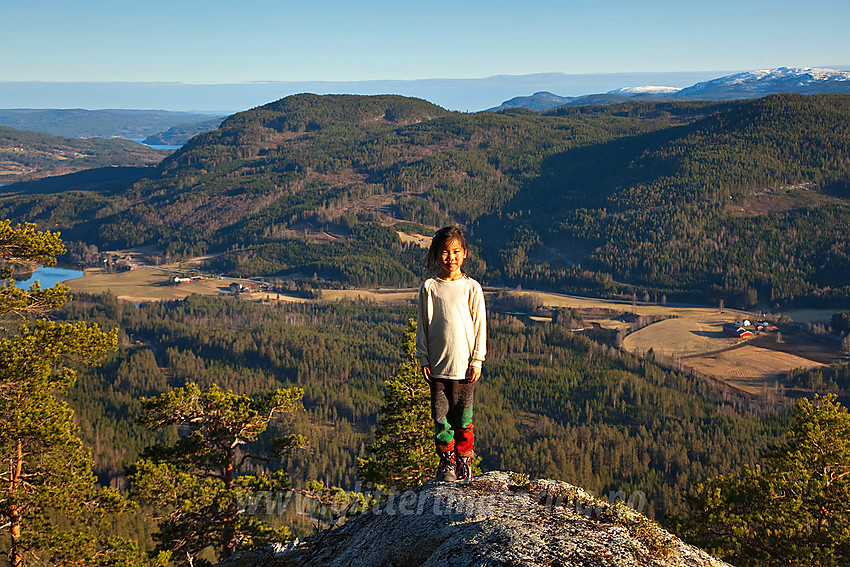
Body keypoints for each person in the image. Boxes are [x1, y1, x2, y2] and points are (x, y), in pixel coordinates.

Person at [416, 226, 486, 482]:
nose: (451, 257)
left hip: (464, 366)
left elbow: (480, 327)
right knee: (441, 415)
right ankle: (446, 461)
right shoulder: (430, 287)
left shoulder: (472, 288)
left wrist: (477, 360)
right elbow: (422, 324)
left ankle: (464, 460)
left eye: (456, 251)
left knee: (464, 417)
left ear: (464, 253)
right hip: (437, 366)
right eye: (445, 252)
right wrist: (422, 357)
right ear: (437, 255)